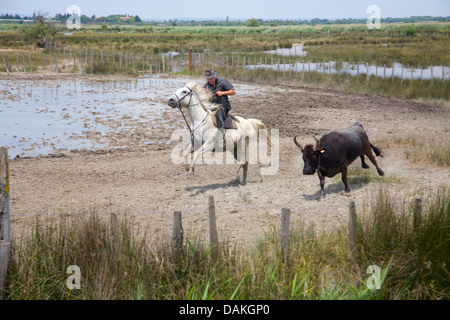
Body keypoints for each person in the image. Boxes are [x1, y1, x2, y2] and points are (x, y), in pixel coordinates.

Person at [203, 69, 236, 147]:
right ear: (207, 78)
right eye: (209, 78)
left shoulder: (223, 82)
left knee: (218, 115)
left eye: (212, 78)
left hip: (223, 106)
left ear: (215, 76)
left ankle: (221, 140)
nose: (211, 80)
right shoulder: (205, 86)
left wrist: (223, 93)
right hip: (211, 107)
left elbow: (233, 92)